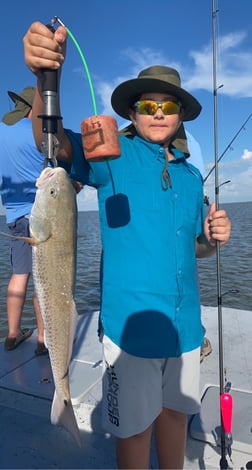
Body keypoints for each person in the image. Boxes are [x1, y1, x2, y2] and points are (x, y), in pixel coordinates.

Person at [23, 23, 231, 469]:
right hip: (129, 332)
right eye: (148, 105)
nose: (158, 113)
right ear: (133, 113)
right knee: (134, 431)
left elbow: (196, 248)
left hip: (186, 331)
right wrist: (45, 80)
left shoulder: (193, 178)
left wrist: (213, 239)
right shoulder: (111, 154)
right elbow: (54, 145)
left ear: (180, 115)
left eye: (168, 105)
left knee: (176, 416)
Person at [0, 86, 47, 355]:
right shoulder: (36, 132)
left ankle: (12, 333)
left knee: (19, 275)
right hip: (39, 215)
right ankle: (42, 339)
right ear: (34, 110)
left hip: (14, 216)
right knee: (43, 278)